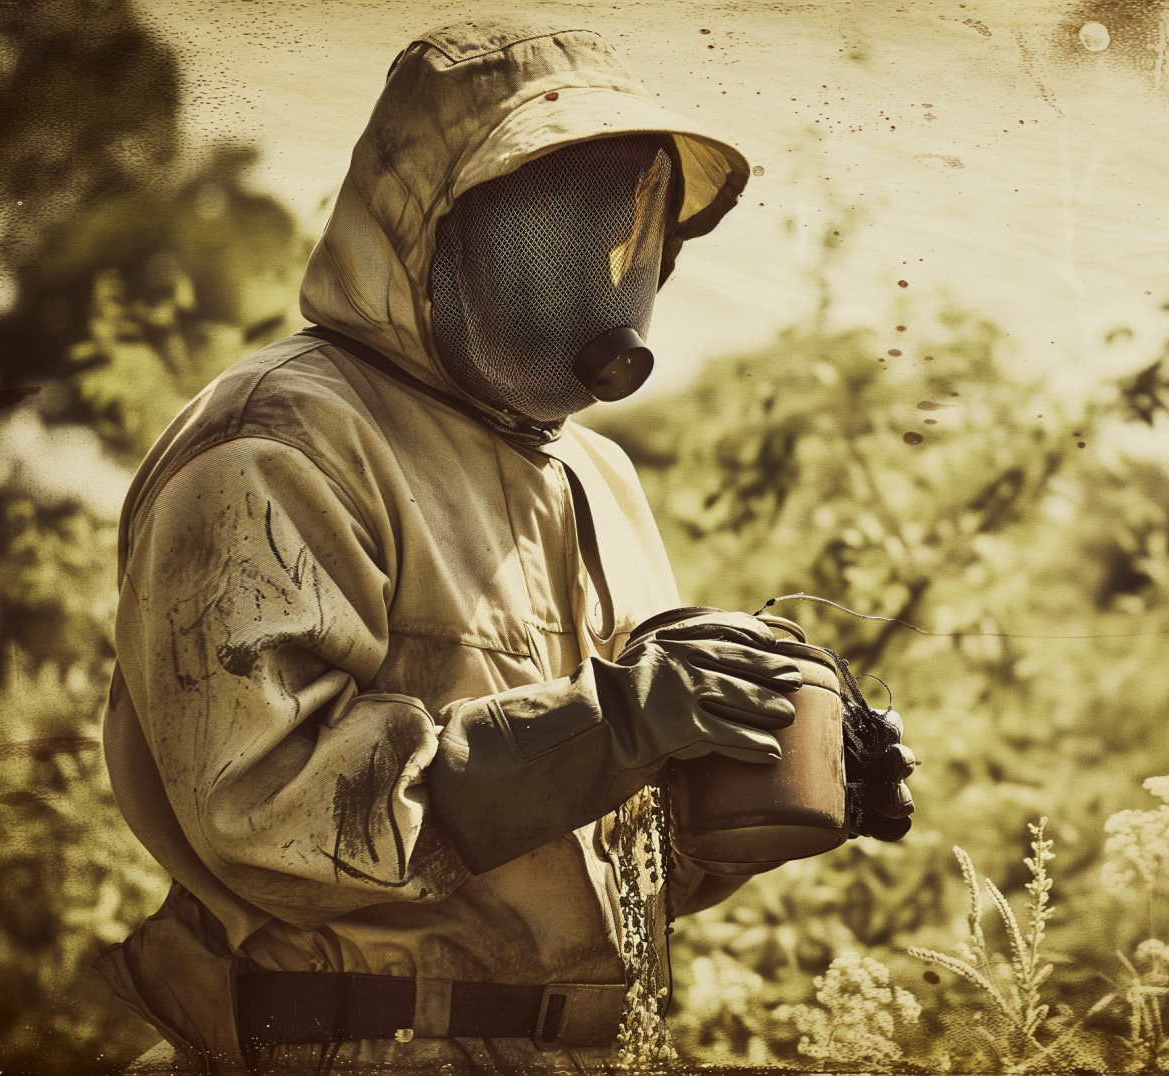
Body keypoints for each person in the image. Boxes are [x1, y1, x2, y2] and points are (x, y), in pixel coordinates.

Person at [93, 19, 913, 1072]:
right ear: (426, 226)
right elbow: (266, 810)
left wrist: (758, 795)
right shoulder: (281, 438)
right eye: (549, 219)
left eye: (622, 217)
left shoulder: (595, 475)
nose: (596, 257)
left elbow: (592, 858)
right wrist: (620, 717)